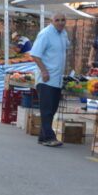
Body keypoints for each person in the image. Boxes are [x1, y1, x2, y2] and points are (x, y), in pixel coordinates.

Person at [29, 13, 69, 147]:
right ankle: (49, 137)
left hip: (57, 78)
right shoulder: (45, 34)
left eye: (63, 20)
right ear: (51, 21)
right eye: (57, 20)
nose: (60, 22)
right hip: (46, 78)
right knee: (46, 109)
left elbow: (65, 49)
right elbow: (35, 54)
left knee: (52, 109)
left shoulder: (64, 34)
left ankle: (42, 136)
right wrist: (44, 71)